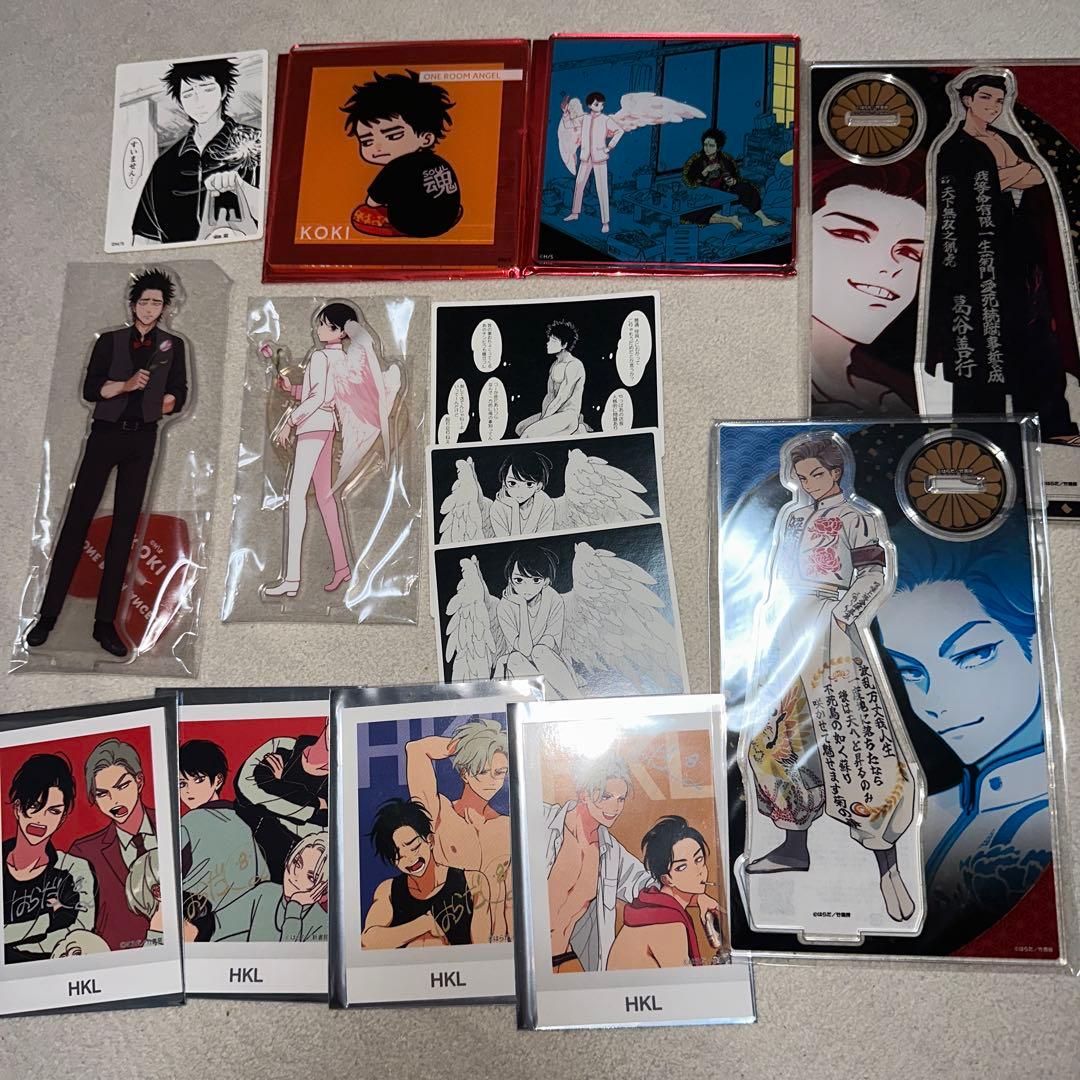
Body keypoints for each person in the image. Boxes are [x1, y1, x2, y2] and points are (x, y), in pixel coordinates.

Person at [744, 434, 920, 924]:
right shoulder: (792, 518)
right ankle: (793, 845)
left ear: (836, 472)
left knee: (854, 743)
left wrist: (843, 615)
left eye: (816, 474)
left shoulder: (856, 517)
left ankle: (888, 867)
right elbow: (777, 577)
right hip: (786, 631)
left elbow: (873, 575)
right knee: (774, 741)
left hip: (830, 631)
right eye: (801, 477)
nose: (808, 484)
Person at [876, 523, 1052, 939]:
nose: (936, 701)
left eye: (974, 654)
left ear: (1037, 639)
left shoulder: (1053, 818)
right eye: (910, 671)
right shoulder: (924, 811)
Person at [26, 269, 188, 657]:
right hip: (104, 435)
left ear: (165, 308)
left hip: (142, 439)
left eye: (157, 302)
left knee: (124, 529)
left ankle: (104, 624)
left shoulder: (173, 345)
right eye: (144, 301)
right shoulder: (110, 341)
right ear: (133, 304)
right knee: (77, 520)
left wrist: (158, 404)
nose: (150, 308)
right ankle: (47, 616)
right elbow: (90, 389)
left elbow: (179, 395)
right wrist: (127, 386)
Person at [923, 73, 1079, 442]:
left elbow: (1036, 176)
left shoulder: (1009, 140)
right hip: (975, 261)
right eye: (986, 97)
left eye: (999, 100)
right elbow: (962, 195)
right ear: (966, 99)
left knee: (1039, 337)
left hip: (1023, 255)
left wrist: (1000, 177)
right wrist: (1006, 177)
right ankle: (980, 431)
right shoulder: (954, 146)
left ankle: (1051, 425)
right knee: (978, 342)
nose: (993, 106)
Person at [266, 303, 398, 598]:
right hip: (326, 427)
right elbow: (323, 394)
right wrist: (291, 390)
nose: (318, 329)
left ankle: (291, 579)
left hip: (312, 428)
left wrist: (289, 421)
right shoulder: (341, 359)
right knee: (325, 498)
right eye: (319, 324)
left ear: (339, 331)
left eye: (324, 325)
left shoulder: (320, 356)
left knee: (297, 497)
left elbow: (319, 397)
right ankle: (341, 566)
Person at [810, 152, 927, 415]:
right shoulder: (763, 372)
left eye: (910, 253)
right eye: (850, 234)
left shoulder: (895, 395)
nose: (889, 265)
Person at [132, 57, 261, 245]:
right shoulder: (165, 165)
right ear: (180, 102)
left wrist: (240, 186)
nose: (198, 101)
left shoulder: (255, 143)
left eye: (207, 89)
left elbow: (280, 213)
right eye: (188, 94)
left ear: (224, 91)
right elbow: (144, 237)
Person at [544, 754, 654, 972]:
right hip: (527, 959)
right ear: (584, 794)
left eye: (620, 799)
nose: (615, 807)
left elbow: (650, 886)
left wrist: (698, 897)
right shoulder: (542, 821)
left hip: (568, 961)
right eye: (606, 796)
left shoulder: (611, 852)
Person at [405, 717, 511, 939]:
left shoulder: (505, 825)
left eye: (500, 772)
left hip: (495, 938)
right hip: (446, 934)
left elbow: (503, 893)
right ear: (464, 773)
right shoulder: (439, 813)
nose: (492, 781)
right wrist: (466, 745)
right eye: (483, 771)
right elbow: (416, 749)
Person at [341, 70, 461, 238]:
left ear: (426, 138)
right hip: (447, 217)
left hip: (410, 223)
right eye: (367, 141)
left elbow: (373, 201)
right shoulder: (438, 161)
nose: (378, 147)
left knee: (364, 213)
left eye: (393, 136)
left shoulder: (397, 167)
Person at [3, 754, 96, 963]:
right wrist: (47, 920)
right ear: (17, 808)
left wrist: (11, 942)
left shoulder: (75, 868)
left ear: (62, 818)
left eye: (53, 811)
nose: (41, 820)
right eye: (35, 806)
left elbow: (78, 934)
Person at [361, 799, 491, 948]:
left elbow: (482, 948)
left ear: (430, 840)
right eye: (398, 856)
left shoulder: (473, 882)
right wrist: (424, 924)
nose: (410, 859)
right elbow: (368, 940)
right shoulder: (388, 890)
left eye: (413, 846)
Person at [69, 738, 158, 950]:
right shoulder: (84, 853)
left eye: (122, 786)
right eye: (102, 793)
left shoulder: (179, 826)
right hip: (116, 957)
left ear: (139, 781)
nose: (114, 800)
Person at [608, 816, 722, 970]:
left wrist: (699, 898)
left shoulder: (654, 902)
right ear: (667, 879)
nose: (698, 871)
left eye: (698, 859)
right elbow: (684, 981)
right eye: (682, 867)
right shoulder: (668, 923)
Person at [179, 738, 268, 910]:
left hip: (198, 915)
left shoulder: (189, 822)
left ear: (218, 780)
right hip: (241, 913)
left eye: (198, 780)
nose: (189, 791)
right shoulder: (242, 821)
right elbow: (262, 877)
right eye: (182, 784)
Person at [234, 723, 329, 882]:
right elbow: (246, 787)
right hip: (238, 841)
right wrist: (317, 805)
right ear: (327, 720)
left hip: (280, 872)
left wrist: (275, 786)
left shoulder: (338, 784)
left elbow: (318, 832)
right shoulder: (281, 745)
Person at [493, 545, 580, 700]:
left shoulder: (553, 599)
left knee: (539, 651)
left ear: (546, 581)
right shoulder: (505, 607)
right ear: (510, 580)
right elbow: (524, 651)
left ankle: (577, 699)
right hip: (521, 669)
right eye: (519, 580)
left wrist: (504, 659)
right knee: (514, 659)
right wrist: (522, 606)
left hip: (550, 664)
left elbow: (549, 644)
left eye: (535, 580)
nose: (526, 588)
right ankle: (554, 703)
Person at [212, 832, 329, 943]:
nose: (295, 875)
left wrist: (294, 909)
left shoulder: (322, 924)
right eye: (297, 863)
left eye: (311, 877)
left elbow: (289, 954)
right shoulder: (265, 892)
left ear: (323, 888)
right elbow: (220, 925)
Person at [680, 128, 780, 231]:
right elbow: (691, 183)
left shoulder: (725, 159)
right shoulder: (697, 160)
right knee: (690, 212)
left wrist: (733, 181)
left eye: (711, 146)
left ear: (718, 147)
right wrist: (705, 171)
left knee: (747, 189)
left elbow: (735, 176)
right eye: (705, 145)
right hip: (706, 196)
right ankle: (730, 220)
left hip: (725, 191)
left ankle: (764, 219)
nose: (707, 148)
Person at [560, 91, 625, 234]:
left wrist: (609, 147)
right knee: (579, 184)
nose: (600, 106)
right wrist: (565, 112)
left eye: (601, 104)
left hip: (600, 158)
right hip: (585, 157)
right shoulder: (584, 118)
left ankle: (605, 222)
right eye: (597, 104)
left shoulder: (606, 119)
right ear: (590, 105)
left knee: (602, 189)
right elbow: (568, 124)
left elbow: (619, 131)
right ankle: (575, 213)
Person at [515, 321, 588, 440]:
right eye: (549, 340)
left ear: (564, 345)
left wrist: (543, 421)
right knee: (520, 428)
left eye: (553, 341)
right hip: (555, 414)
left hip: (568, 416)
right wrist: (543, 418)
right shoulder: (555, 365)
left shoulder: (574, 365)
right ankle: (576, 431)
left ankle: (576, 428)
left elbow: (561, 397)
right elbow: (550, 396)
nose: (548, 343)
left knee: (527, 435)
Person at [489, 450, 556, 538]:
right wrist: (515, 507)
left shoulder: (545, 503)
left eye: (529, 484)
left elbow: (544, 540)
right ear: (504, 482)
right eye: (512, 483)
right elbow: (511, 544)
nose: (519, 491)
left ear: (538, 487)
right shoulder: (497, 509)